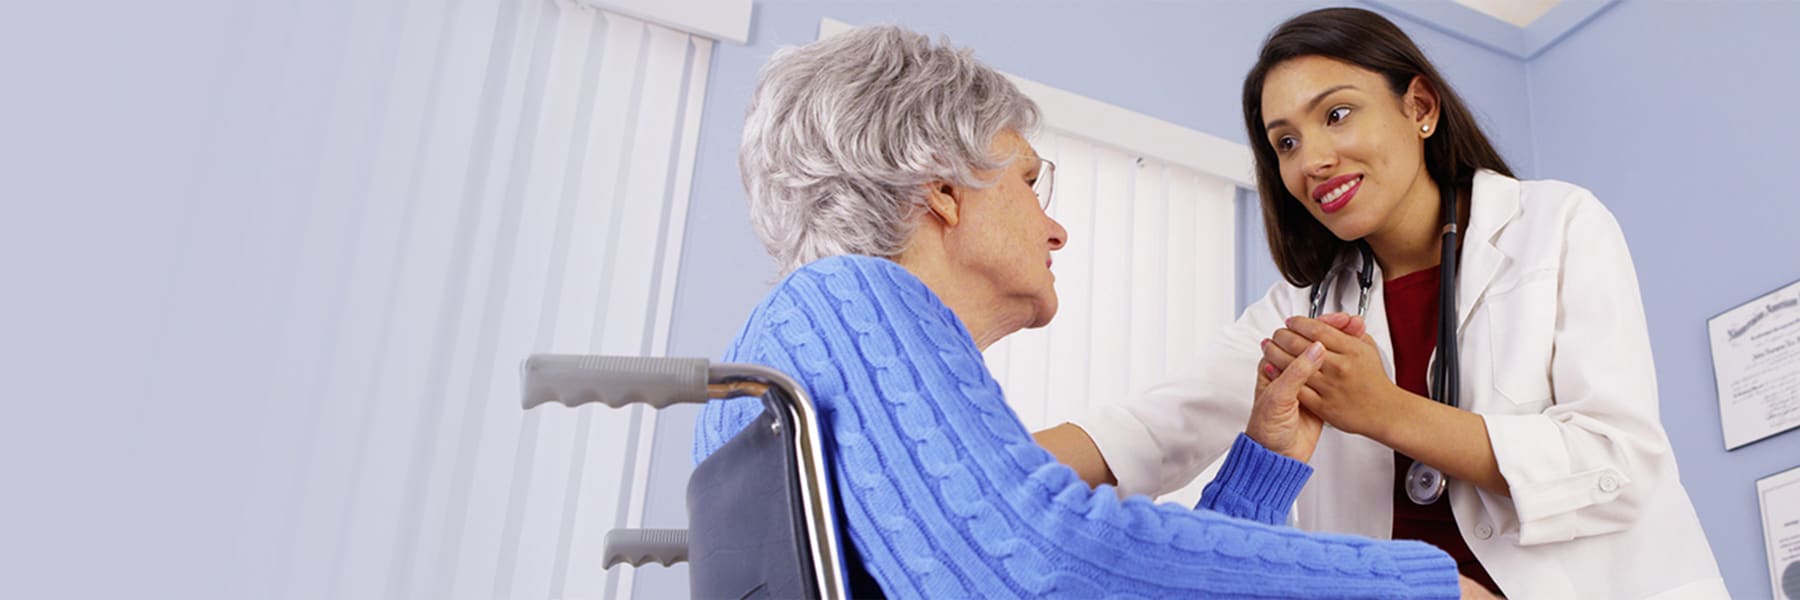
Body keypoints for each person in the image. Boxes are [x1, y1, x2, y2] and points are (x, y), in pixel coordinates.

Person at [692, 24, 1494, 599]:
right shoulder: (849, 298)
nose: (1054, 226)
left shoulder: (786, 351)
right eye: (1028, 181)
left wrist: (1263, 464)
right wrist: (1423, 586)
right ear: (941, 190)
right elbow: (1046, 561)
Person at [1035, 7, 1726, 598]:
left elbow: (1618, 461)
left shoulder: (1556, 225)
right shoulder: (1300, 309)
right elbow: (1149, 431)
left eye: (1337, 114)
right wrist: (978, 461)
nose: (1313, 161)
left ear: (1419, 108)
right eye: (1286, 142)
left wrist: (1386, 411)